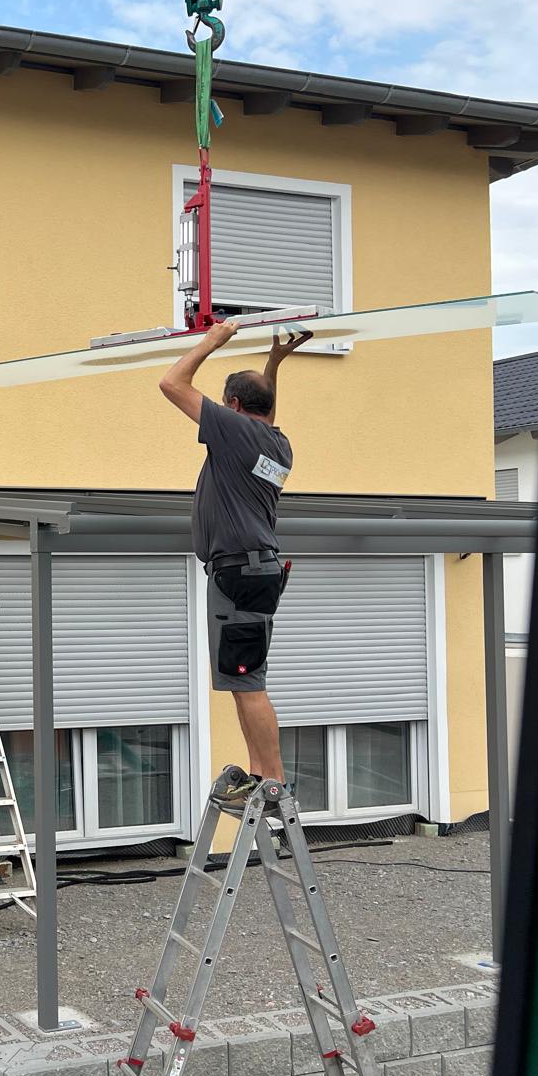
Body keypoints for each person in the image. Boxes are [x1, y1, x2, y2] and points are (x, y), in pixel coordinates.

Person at [159, 321, 309, 806]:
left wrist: (212, 342)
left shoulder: (235, 429)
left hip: (239, 571)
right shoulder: (277, 444)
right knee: (243, 680)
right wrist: (273, 364)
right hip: (254, 570)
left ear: (235, 407)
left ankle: (273, 782)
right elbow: (264, 413)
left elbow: (171, 383)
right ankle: (260, 775)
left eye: (227, 405)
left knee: (249, 683)